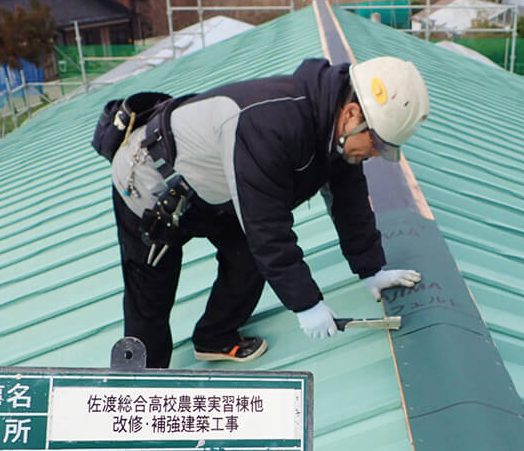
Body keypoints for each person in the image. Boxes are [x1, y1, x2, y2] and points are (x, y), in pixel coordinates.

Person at [110, 56, 430, 368]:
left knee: (248, 261)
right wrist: (307, 303)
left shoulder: (333, 130)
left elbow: (350, 203)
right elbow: (267, 226)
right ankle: (140, 387)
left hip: (217, 193)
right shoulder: (270, 125)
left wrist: (371, 268)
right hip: (151, 188)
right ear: (352, 113)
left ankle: (214, 336)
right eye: (376, 143)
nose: (374, 153)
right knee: (150, 301)